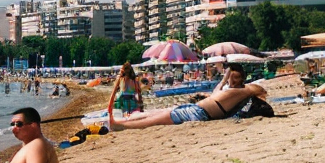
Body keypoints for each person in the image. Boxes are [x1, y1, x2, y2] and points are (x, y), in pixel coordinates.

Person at [108, 64, 265, 129]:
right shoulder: (228, 90)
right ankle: (121, 121)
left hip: (198, 113)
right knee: (156, 113)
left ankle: (121, 125)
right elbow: (218, 89)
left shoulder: (242, 90)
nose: (231, 80)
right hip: (195, 109)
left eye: (235, 77)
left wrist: (243, 85)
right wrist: (226, 77)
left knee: (157, 119)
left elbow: (259, 89)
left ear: (243, 79)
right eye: (231, 77)